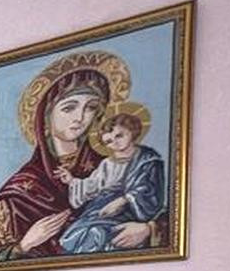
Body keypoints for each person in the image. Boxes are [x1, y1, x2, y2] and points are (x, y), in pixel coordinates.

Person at [0, 50, 156, 261]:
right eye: (69, 108)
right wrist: (25, 244)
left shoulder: (115, 165)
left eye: (91, 108)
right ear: (46, 116)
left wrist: (148, 229)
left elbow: (159, 209)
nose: (80, 117)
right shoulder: (17, 195)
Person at [55, 104, 166, 253]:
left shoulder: (148, 160)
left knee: (100, 233)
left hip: (131, 209)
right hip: (100, 207)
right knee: (78, 233)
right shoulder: (107, 163)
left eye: (119, 136)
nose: (115, 142)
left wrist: (124, 200)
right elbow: (94, 185)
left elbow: (150, 191)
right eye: (109, 141)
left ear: (132, 132)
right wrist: (71, 181)